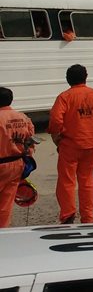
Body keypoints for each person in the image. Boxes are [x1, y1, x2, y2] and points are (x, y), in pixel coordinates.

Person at [48, 64, 93, 224]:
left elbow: (55, 119)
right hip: (91, 144)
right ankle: (88, 217)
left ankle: (68, 214)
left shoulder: (65, 97)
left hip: (70, 145)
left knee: (67, 180)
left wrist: (56, 136)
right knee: (87, 180)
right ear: (85, 77)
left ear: (67, 79)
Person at [0, 86, 37, 228]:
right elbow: (31, 140)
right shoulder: (23, 118)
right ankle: (2, 233)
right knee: (6, 203)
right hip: (16, 165)